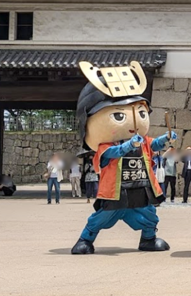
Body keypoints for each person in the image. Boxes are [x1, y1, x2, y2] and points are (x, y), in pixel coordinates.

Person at [70, 60, 176, 254]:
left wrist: (165, 139)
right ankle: (85, 239)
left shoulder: (142, 141)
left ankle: (148, 239)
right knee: (102, 217)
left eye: (141, 112)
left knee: (149, 215)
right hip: (116, 190)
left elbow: (153, 144)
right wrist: (129, 145)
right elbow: (112, 154)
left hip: (140, 186)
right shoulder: (105, 146)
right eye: (118, 115)